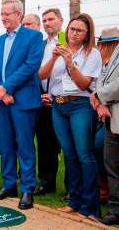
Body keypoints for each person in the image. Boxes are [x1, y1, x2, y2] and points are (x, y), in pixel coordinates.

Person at [40, 13, 102, 220]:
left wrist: (69, 62)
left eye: (79, 30)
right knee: (69, 154)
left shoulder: (92, 53)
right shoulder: (56, 48)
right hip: (58, 106)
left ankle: (90, 205)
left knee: (85, 154)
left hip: (80, 106)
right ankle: (73, 201)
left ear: (87, 34)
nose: (73, 33)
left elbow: (85, 84)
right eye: (72, 28)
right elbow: (42, 75)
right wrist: (55, 57)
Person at [0, 0, 43, 210]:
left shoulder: (34, 37)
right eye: (1, 14)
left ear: (18, 14)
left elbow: (31, 66)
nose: (3, 18)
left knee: (25, 146)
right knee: (6, 145)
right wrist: (1, 92)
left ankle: (27, 188)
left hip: (23, 101)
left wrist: (6, 88)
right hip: (2, 102)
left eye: (7, 14)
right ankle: (9, 185)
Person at [90, 27, 119, 225]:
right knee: (112, 166)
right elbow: (100, 84)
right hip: (111, 119)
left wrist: (99, 97)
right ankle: (115, 209)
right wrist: (99, 101)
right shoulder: (108, 61)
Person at [33, 8, 64, 196]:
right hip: (43, 98)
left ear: (61, 20)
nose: (47, 23)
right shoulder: (41, 45)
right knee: (45, 143)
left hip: (64, 99)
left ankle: (73, 186)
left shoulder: (69, 42)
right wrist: (40, 94)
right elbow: (34, 71)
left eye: (51, 19)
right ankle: (46, 182)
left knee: (69, 146)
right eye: (44, 20)